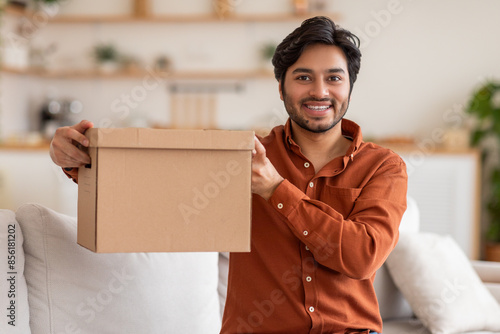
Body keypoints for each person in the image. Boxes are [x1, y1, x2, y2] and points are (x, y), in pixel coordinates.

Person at [50, 16, 407, 334]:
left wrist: (276, 190)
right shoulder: (242, 158)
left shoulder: (383, 167)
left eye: (334, 78)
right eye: (303, 77)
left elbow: (362, 255)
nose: (319, 91)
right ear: (281, 88)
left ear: (349, 88)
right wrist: (78, 161)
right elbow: (153, 198)